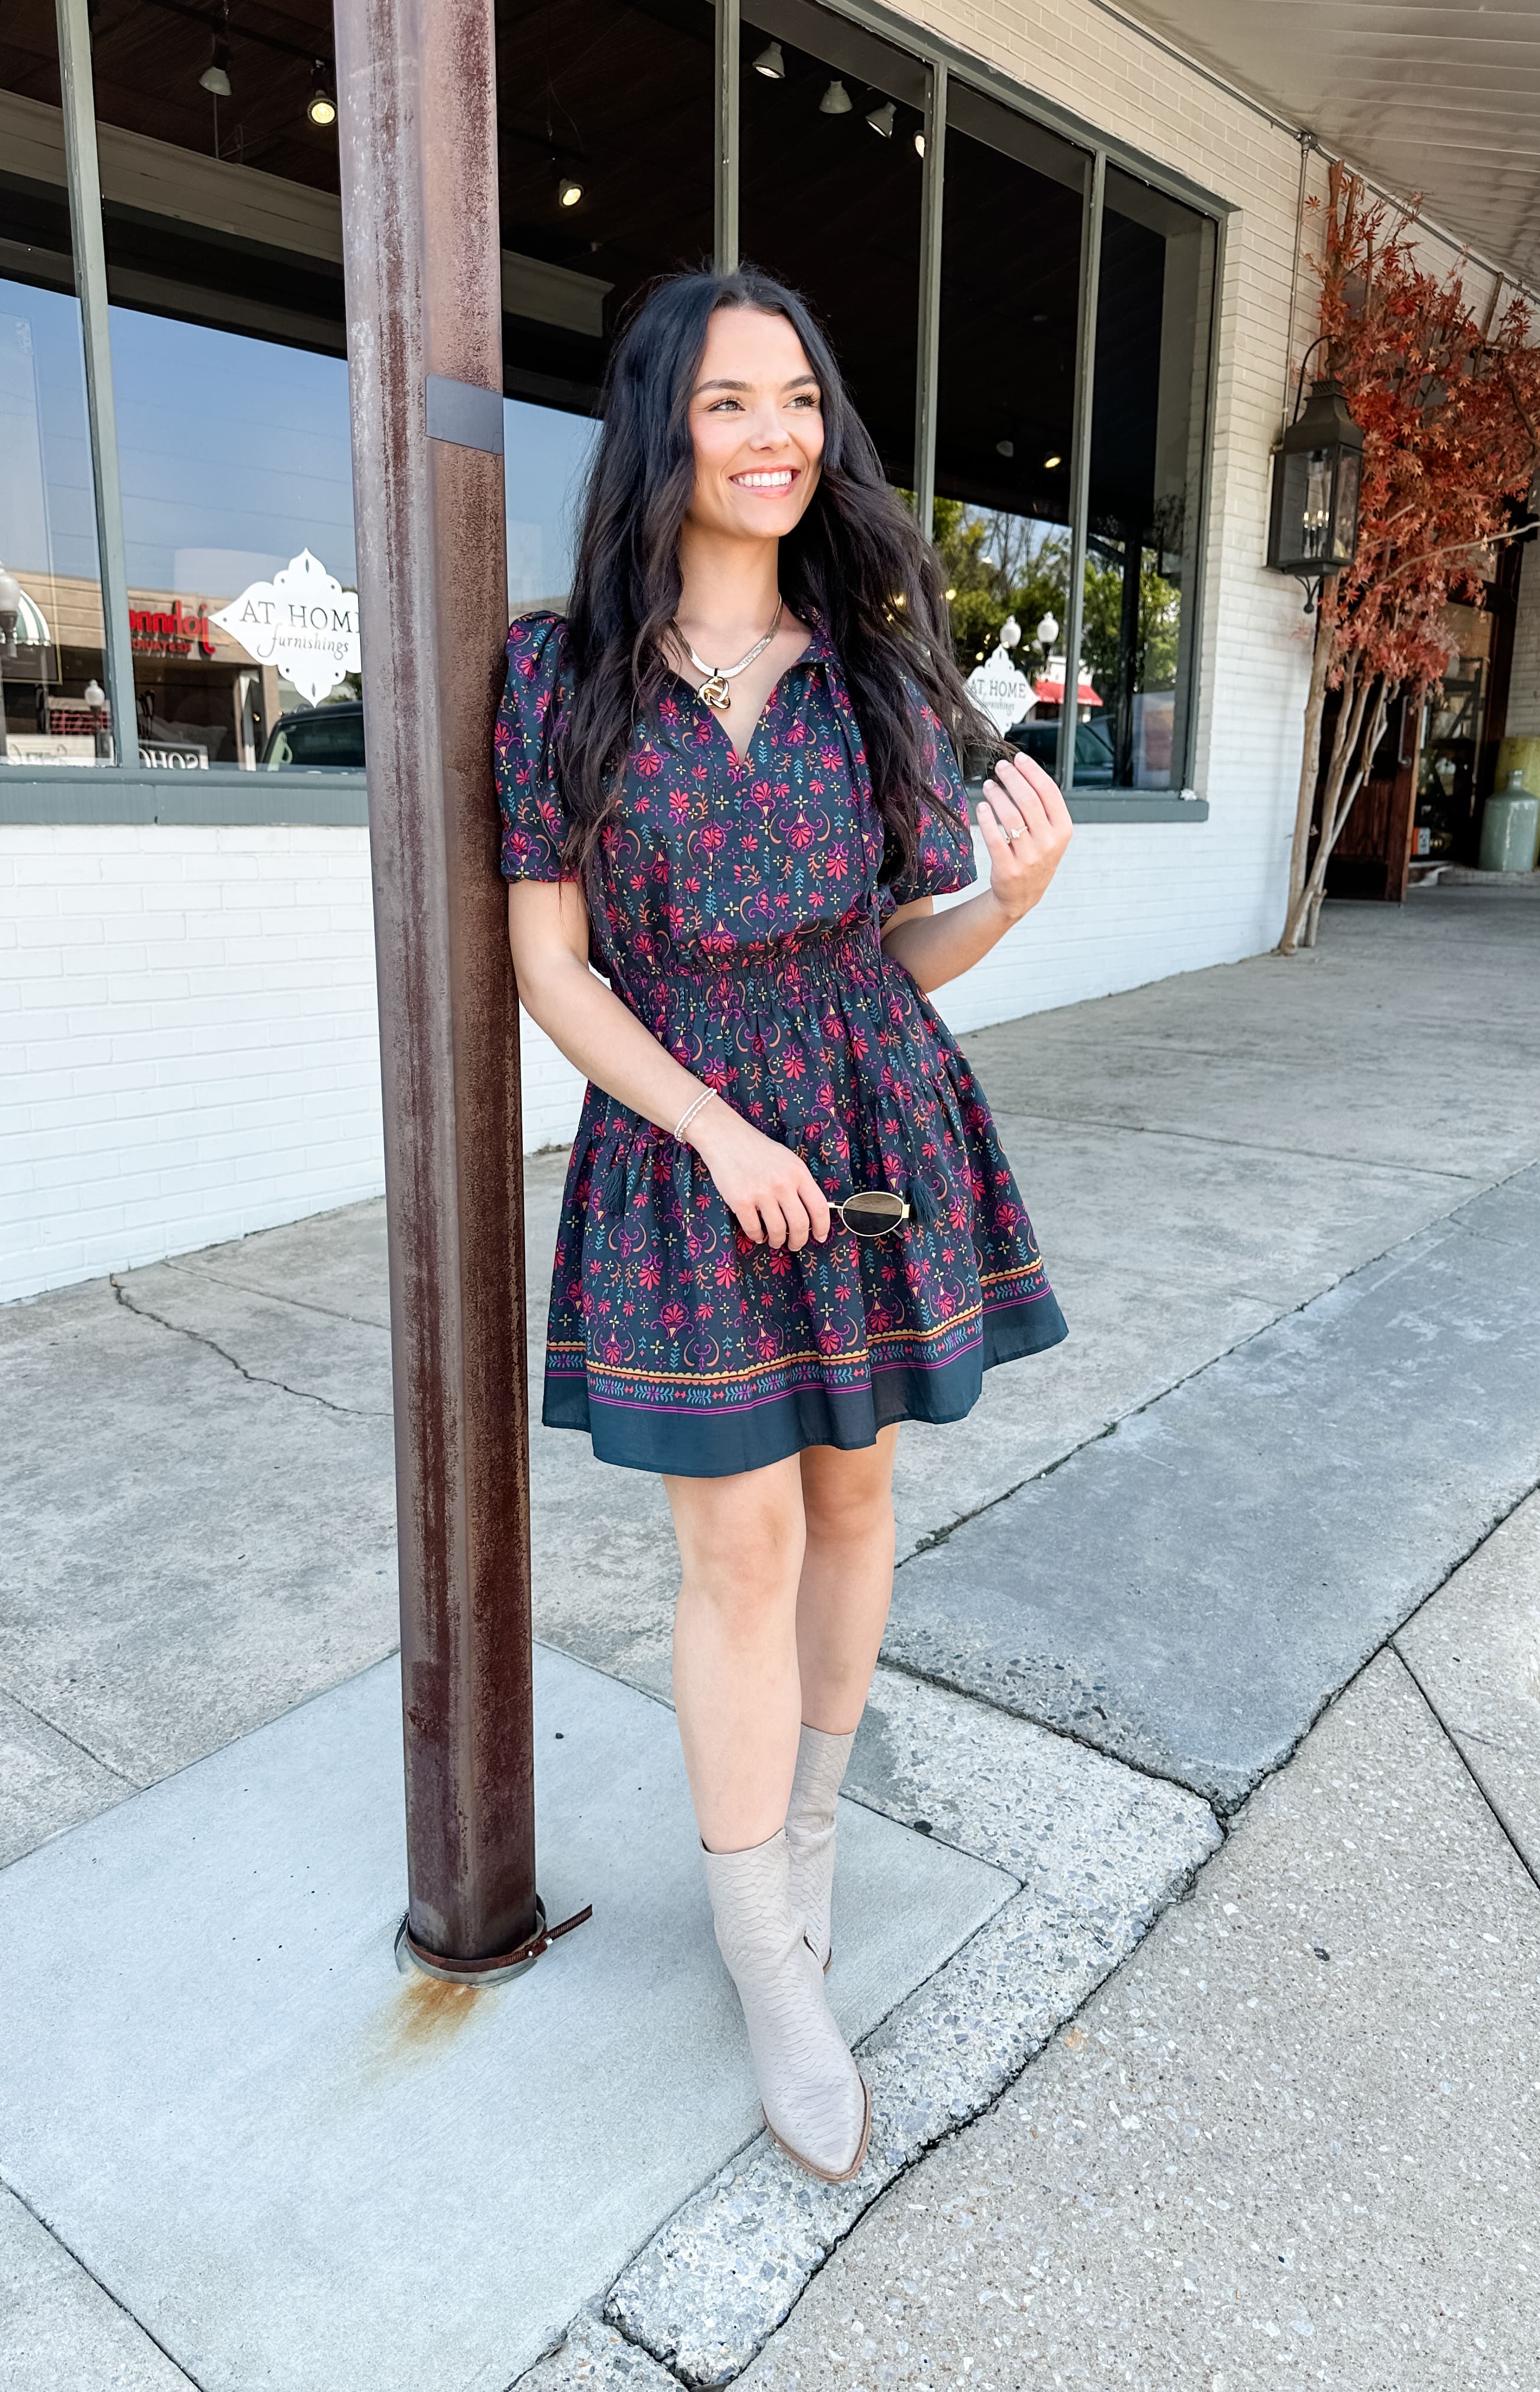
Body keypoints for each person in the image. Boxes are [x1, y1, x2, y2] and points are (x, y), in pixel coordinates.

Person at [495, 268, 1072, 2183]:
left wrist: (1013, 902)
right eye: (734, 404)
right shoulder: (557, 669)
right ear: (663, 429)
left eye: (803, 404)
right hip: (686, 1154)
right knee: (732, 1546)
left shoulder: (874, 667)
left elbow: (904, 955)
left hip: (873, 1115)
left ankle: (808, 1845)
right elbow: (553, 970)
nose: (778, 439)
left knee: (853, 1503)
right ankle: (765, 1960)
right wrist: (717, 1125)